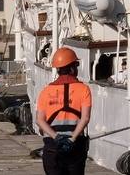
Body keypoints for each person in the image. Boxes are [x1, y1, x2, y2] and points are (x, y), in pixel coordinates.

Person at [35, 46, 92, 175]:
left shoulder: (45, 91)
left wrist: (57, 137)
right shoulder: (84, 89)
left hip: (52, 147)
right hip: (75, 146)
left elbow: (40, 120)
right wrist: (71, 139)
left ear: (58, 69)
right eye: (76, 66)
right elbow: (85, 118)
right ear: (72, 68)